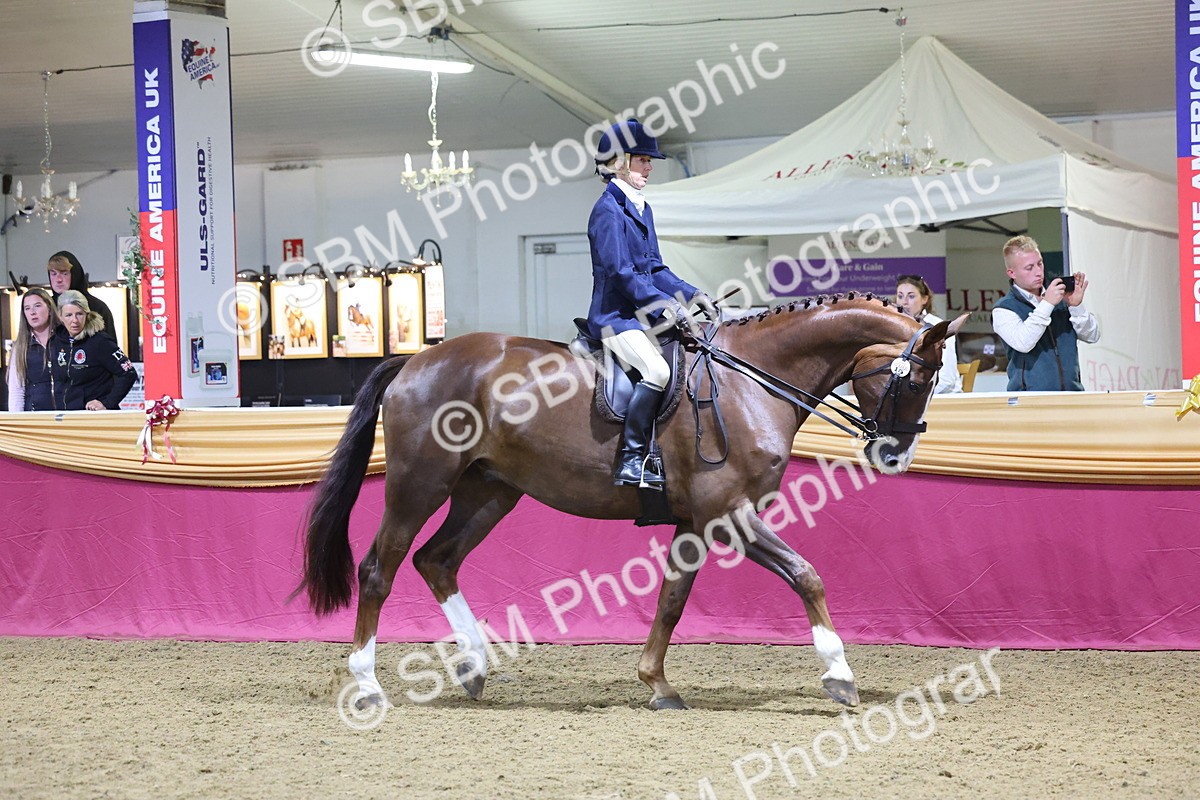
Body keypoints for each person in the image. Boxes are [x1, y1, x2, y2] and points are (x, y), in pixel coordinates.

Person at [586, 118, 717, 488]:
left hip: (642, 315)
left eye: (649, 160)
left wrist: (692, 294)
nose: (649, 166)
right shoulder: (607, 210)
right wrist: (665, 306)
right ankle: (630, 459)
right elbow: (621, 273)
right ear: (619, 161)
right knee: (657, 372)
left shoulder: (642, 207)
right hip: (615, 318)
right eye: (642, 159)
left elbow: (654, 267)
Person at [991, 235, 1099, 392]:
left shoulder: (1061, 298)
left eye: (1039, 263)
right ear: (1012, 273)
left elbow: (1092, 336)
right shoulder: (1004, 309)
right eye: (1029, 268)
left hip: (1072, 395)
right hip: (1030, 400)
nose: (1038, 272)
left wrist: (1076, 307)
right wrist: (1047, 304)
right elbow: (1023, 343)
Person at [57, 290, 136, 410]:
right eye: (69, 315)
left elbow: (128, 373)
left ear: (87, 314)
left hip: (96, 416)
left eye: (79, 314)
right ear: (60, 316)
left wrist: (107, 402)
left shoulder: (100, 341)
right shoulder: (57, 341)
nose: (75, 320)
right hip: (70, 416)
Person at [894, 275, 962, 394]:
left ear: (924, 299)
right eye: (900, 296)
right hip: (908, 400)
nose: (904, 302)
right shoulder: (894, 328)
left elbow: (946, 381)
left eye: (911, 296)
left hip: (943, 399)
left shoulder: (939, 327)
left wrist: (911, 398)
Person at [6, 287, 69, 411]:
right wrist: (18, 422)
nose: (32, 312)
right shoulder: (21, 346)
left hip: (68, 415)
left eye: (37, 306)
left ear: (50, 309)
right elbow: (16, 390)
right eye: (27, 308)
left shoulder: (66, 338)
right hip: (35, 416)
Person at [47, 250, 117, 342]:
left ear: (75, 274)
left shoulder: (98, 308)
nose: (58, 279)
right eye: (53, 274)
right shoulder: (47, 308)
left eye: (64, 273)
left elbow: (110, 350)